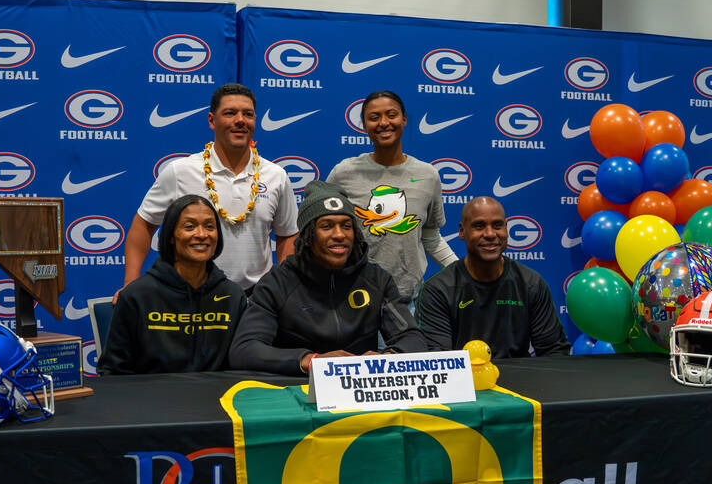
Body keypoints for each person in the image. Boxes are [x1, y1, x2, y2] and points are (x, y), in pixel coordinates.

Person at [229, 182, 426, 376]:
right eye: (326, 226)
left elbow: (411, 338)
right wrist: (311, 361)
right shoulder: (278, 283)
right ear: (308, 235)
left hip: (359, 388)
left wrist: (389, 358)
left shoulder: (377, 280)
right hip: (297, 389)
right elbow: (245, 350)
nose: (339, 234)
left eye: (346, 226)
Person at [122, 83, 297, 294]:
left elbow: (288, 234)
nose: (240, 120)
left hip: (255, 298)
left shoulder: (276, 176)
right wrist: (130, 284)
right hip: (191, 296)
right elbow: (143, 224)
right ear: (212, 121)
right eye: (230, 113)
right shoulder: (180, 171)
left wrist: (286, 287)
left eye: (248, 114)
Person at [327, 90, 456, 304]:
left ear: (404, 119)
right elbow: (320, 230)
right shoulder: (343, 173)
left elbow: (430, 236)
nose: (384, 123)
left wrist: (462, 272)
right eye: (374, 117)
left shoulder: (428, 175)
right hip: (353, 300)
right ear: (364, 126)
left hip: (409, 301)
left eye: (391, 115)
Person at [99, 195, 246, 374]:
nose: (201, 234)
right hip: (152, 391)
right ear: (171, 236)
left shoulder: (232, 296)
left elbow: (243, 364)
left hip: (217, 391)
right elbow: (112, 370)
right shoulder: (137, 295)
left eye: (209, 226)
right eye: (189, 227)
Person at [417, 196, 570, 358]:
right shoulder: (438, 290)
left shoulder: (531, 284)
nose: (490, 234)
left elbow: (554, 351)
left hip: (520, 375)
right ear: (462, 231)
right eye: (479, 226)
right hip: (464, 375)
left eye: (497, 225)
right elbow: (438, 360)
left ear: (506, 229)